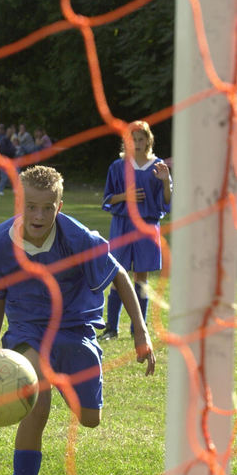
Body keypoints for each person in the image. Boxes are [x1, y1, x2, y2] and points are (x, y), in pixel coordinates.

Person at [0, 165, 155, 475]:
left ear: (59, 206)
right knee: (37, 404)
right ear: (20, 203)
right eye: (31, 206)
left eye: (48, 207)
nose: (38, 215)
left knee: (90, 419)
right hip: (27, 331)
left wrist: (141, 333)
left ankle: (63, 378)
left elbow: (120, 275)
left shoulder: (76, 237)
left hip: (76, 329)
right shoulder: (0, 243)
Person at [99, 120, 172, 340]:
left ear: (149, 141)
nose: (137, 143)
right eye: (133, 139)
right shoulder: (118, 166)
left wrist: (166, 182)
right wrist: (125, 196)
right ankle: (112, 327)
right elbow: (107, 199)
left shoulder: (159, 166)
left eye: (141, 139)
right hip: (122, 226)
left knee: (142, 277)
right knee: (117, 274)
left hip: (147, 227)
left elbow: (167, 203)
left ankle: (137, 328)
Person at [0, 125, 17, 196]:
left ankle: (15, 189)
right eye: (8, 132)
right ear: (6, 132)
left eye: (10, 132)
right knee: (4, 176)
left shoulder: (9, 141)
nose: (10, 133)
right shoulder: (4, 140)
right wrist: (11, 151)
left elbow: (13, 151)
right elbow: (3, 150)